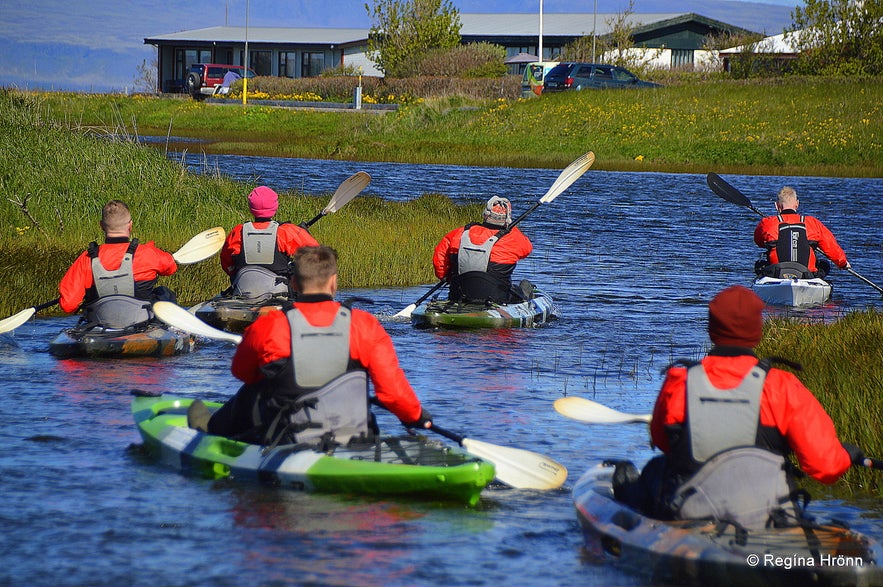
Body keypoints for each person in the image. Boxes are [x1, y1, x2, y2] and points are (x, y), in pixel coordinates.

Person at [614, 285, 864, 528]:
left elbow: (662, 442)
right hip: (770, 513)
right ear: (757, 330)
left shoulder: (679, 382)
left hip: (691, 509)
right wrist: (846, 455)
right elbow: (825, 467)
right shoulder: (783, 386)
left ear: (712, 330)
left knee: (655, 468)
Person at [189, 245, 432, 447]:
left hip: (286, 439)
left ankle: (212, 427)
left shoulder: (271, 325)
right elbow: (392, 393)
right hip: (353, 437)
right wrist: (416, 417)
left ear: (293, 283)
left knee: (253, 389)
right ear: (334, 282)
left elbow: (241, 373)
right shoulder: (365, 325)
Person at [58, 200, 178, 328]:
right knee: (164, 292)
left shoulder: (86, 259)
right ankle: (168, 332)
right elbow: (171, 268)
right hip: (143, 324)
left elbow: (68, 305)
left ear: (102, 226)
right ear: (130, 225)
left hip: (99, 326)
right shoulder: (147, 253)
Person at [220, 185, 319, 299]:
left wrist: (236, 274)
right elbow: (317, 255)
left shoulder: (237, 232)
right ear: (275, 207)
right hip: (278, 295)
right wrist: (303, 233)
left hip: (243, 291)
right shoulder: (287, 231)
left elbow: (227, 263)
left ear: (250, 207)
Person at [432, 196, 533, 304]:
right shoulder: (514, 238)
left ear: (485, 215)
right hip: (498, 297)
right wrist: (511, 229)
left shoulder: (458, 233)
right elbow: (527, 249)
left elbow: (439, 262)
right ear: (507, 218)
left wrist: (447, 278)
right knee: (524, 287)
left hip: (458, 294)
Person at [753, 186, 850, 279]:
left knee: (759, 265)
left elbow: (759, 242)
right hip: (806, 275)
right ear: (797, 204)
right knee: (824, 265)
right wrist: (843, 263)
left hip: (776, 274)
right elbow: (830, 246)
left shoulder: (767, 222)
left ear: (777, 206)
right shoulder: (812, 222)